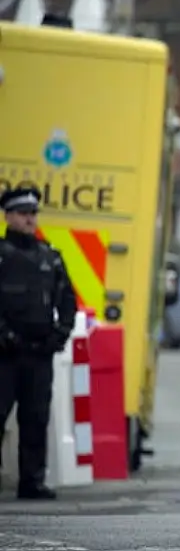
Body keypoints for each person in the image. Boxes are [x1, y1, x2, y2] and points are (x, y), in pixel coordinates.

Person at [0, 186, 77, 500]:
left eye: (33, 214)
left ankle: (32, 481)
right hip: (4, 354)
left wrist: (60, 334)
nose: (30, 219)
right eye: (23, 213)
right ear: (8, 216)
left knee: (35, 419)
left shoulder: (50, 256)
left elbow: (68, 301)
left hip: (39, 353)